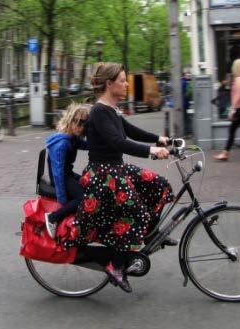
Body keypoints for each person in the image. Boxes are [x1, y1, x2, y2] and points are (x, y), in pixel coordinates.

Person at [65, 62, 175, 293]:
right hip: (103, 175)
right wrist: (150, 151)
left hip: (116, 169)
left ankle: (148, 236)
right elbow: (118, 142)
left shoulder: (112, 109)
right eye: (123, 80)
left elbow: (130, 130)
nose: (126, 84)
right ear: (109, 84)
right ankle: (115, 264)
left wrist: (160, 139)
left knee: (160, 186)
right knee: (138, 212)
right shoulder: (98, 111)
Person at [44, 103, 90, 239]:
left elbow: (87, 145)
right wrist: (62, 201)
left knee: (89, 184)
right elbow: (58, 175)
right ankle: (53, 218)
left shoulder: (73, 138)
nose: (81, 127)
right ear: (70, 120)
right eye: (78, 122)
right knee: (82, 200)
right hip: (60, 177)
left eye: (84, 124)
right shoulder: (62, 143)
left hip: (67, 173)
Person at [213, 59, 240, 162]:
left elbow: (238, 95)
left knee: (232, 130)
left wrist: (232, 109)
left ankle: (225, 153)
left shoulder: (239, 79)